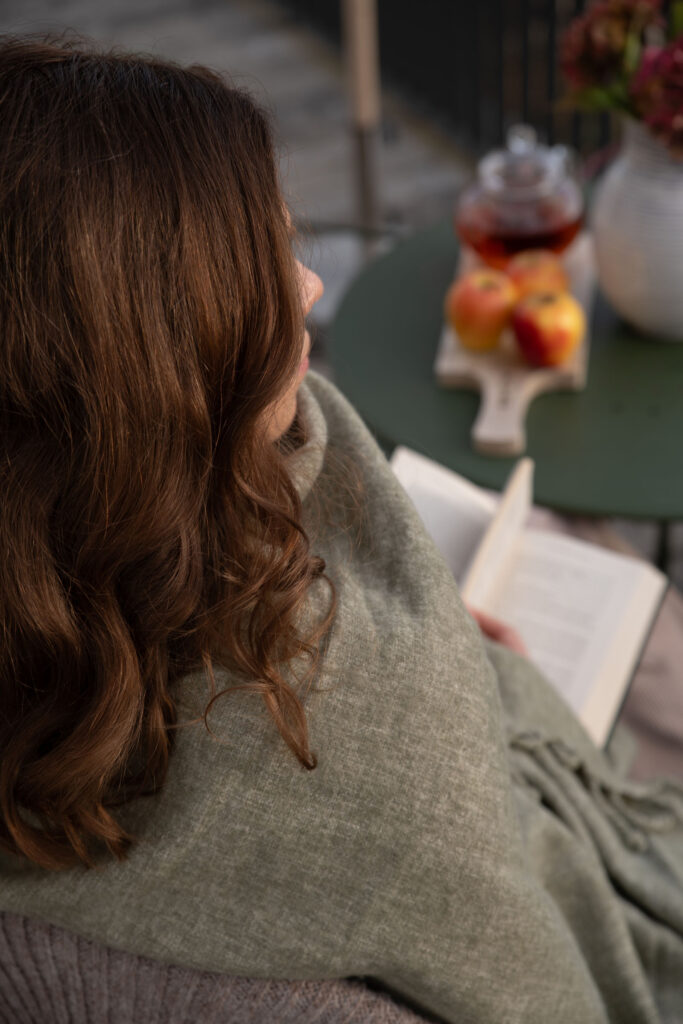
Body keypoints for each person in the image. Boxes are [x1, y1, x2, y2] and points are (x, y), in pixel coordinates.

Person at [0, 35, 682, 1024]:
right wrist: (456, 680)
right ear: (162, 374)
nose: (313, 285)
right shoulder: (354, 744)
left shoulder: (69, 562)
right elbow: (513, 947)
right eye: (274, 262)